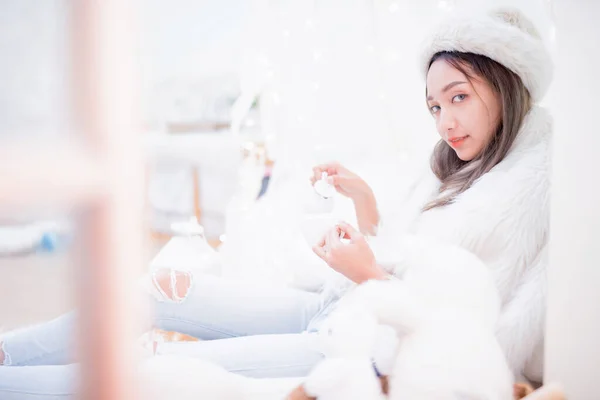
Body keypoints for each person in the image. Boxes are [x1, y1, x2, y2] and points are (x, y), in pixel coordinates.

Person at [0, 6, 552, 399]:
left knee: (148, 367)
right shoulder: (456, 167)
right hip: (335, 307)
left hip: (364, 347)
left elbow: (468, 341)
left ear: (506, 86)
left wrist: (368, 277)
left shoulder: (531, 190)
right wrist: (362, 202)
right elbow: (401, 253)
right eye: (434, 105)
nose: (445, 120)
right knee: (158, 287)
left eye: (458, 97)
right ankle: (8, 353)